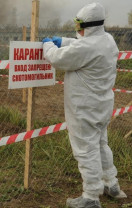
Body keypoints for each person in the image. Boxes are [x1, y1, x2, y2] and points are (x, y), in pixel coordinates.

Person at [42, 2, 127, 208]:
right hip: (102, 106)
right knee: (100, 145)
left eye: (79, 24)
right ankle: (111, 184)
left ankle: (90, 197)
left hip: (84, 109)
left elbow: (58, 59)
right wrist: (62, 40)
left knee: (85, 150)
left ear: (88, 25)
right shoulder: (107, 40)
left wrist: (48, 44)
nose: (77, 28)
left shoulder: (87, 47)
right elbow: (82, 44)